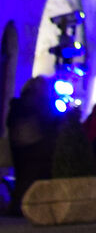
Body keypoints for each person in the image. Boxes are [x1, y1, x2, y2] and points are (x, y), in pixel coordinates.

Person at [6, 80, 56, 215]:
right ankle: (22, 206)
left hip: (27, 148)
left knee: (25, 177)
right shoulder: (35, 104)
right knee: (28, 176)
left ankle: (20, 205)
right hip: (33, 148)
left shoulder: (22, 104)